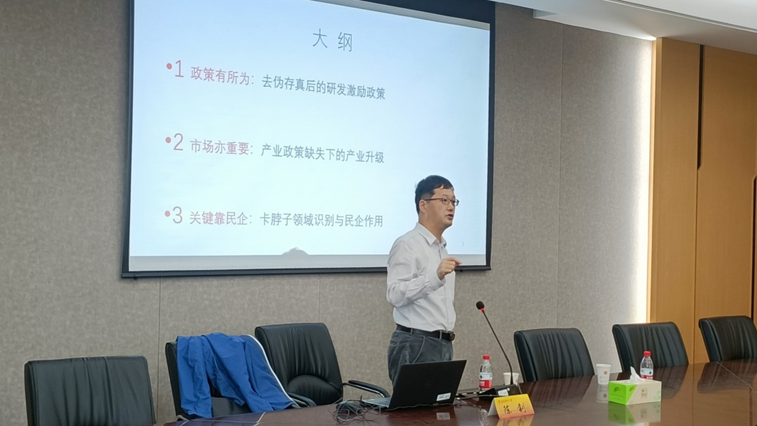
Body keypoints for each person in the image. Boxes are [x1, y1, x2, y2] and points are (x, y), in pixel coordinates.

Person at [386, 175, 461, 385]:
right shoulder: (408, 244)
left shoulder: (442, 248)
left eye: (453, 201)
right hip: (415, 344)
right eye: (444, 200)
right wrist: (434, 277)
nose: (451, 207)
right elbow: (394, 294)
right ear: (423, 205)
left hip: (442, 344)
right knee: (414, 407)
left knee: (440, 406)